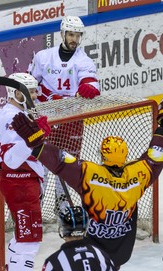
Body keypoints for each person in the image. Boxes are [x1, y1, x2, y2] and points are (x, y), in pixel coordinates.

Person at [11, 98, 163, 268]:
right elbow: (156, 157)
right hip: (122, 254)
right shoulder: (138, 174)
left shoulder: (89, 174)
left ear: (102, 156)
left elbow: (60, 162)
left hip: (93, 254)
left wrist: (37, 143)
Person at [0, 73, 52, 271]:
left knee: (23, 238)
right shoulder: (10, 116)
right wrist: (35, 138)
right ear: (16, 93)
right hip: (19, 183)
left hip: (26, 182)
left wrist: (36, 135)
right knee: (30, 241)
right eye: (30, 91)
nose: (35, 95)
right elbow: (11, 160)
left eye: (35, 90)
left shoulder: (20, 114)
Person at [27, 15, 100, 216]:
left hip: (71, 118)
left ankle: (62, 203)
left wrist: (88, 87)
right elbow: (30, 83)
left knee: (67, 163)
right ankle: (36, 204)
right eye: (71, 34)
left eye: (77, 35)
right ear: (62, 34)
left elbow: (91, 81)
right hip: (46, 117)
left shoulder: (83, 61)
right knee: (42, 161)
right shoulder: (43, 56)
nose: (74, 39)